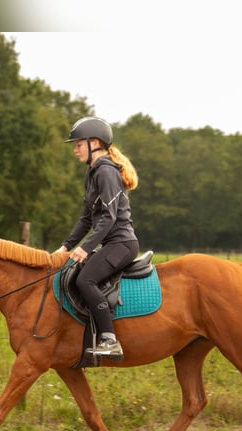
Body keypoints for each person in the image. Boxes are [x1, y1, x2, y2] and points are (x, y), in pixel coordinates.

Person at [54, 116, 140, 361]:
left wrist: (86, 248)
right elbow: (86, 219)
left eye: (78, 144)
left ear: (94, 142)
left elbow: (109, 217)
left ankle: (109, 340)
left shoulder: (106, 172)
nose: (75, 149)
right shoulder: (93, 174)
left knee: (85, 279)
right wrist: (65, 247)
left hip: (122, 243)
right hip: (110, 243)